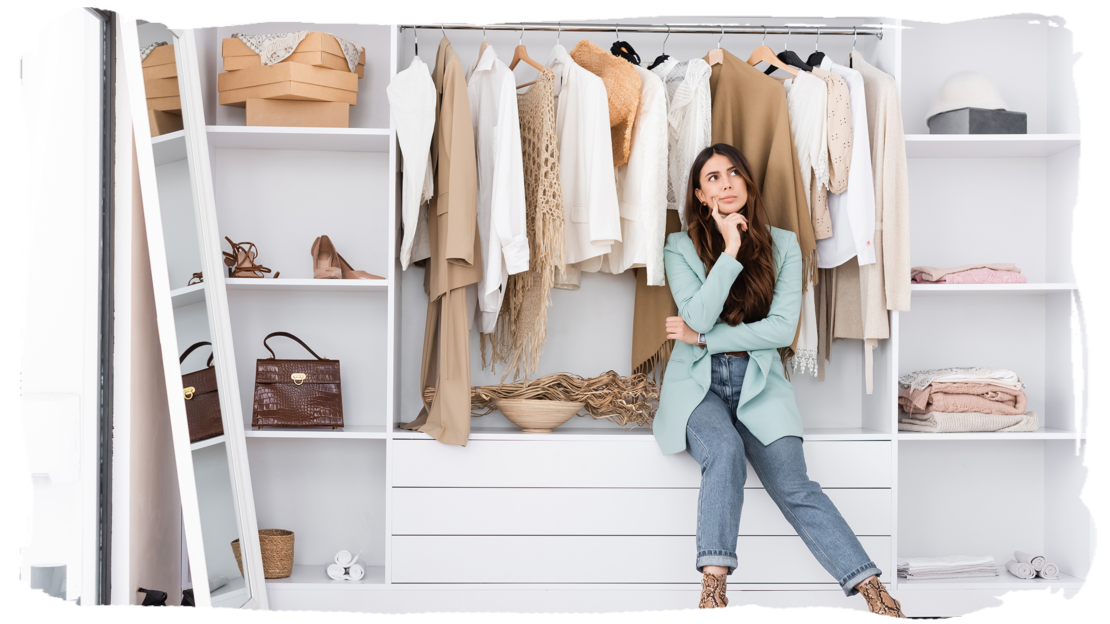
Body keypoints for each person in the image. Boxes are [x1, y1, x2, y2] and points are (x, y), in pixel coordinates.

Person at [656, 144, 905, 616]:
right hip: (697, 387)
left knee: (797, 487)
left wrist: (705, 338)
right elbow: (698, 312)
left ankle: (874, 592)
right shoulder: (680, 247)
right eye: (712, 177)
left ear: (748, 184)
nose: (725, 183)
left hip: (761, 385)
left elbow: (780, 330)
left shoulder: (785, 244)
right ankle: (714, 592)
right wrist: (729, 249)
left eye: (734, 174)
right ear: (698, 192)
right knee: (724, 451)